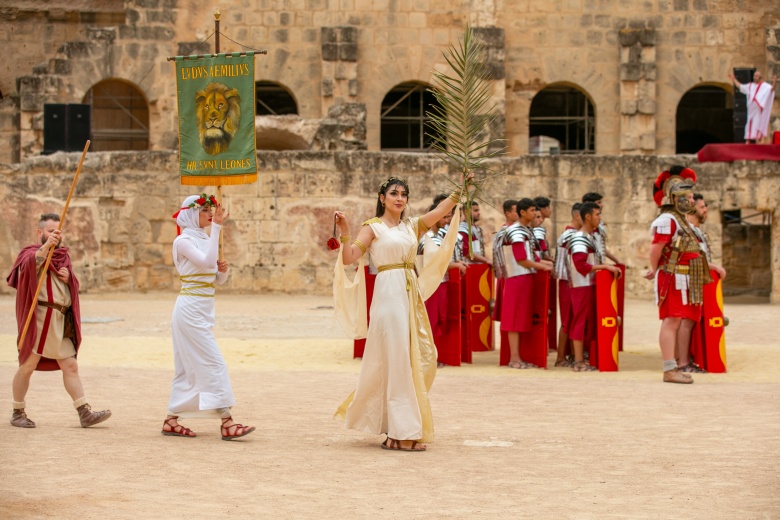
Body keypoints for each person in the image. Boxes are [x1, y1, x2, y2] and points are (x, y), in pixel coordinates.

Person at [333, 176, 465, 452]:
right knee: (397, 360)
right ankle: (402, 431)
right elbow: (348, 258)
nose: (400, 198)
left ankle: (397, 430)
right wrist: (344, 231)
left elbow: (440, 212)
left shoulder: (411, 226)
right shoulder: (373, 227)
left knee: (411, 358)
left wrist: (459, 190)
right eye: (394, 193)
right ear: (382, 198)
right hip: (388, 296)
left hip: (408, 294)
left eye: (404, 194)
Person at [162, 194, 255, 440]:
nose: (209, 214)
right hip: (189, 310)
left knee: (189, 366)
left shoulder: (204, 238)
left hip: (202, 308)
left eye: (209, 210)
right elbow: (205, 262)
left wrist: (222, 271)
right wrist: (217, 229)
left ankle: (171, 419)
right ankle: (227, 422)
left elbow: (214, 277)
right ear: (192, 213)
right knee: (213, 363)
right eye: (204, 210)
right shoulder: (183, 241)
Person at [7, 213, 111, 428]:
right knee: (27, 365)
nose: (55, 235)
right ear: (40, 232)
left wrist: (68, 278)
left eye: (57, 232)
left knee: (70, 365)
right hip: (39, 320)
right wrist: (46, 249)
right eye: (50, 231)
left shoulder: (63, 256)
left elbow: (71, 286)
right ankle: (18, 412)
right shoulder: (31, 253)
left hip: (61, 319)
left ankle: (84, 412)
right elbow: (28, 267)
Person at [645, 166, 711, 384]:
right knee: (671, 321)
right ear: (676, 197)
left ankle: (673, 366)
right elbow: (656, 249)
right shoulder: (667, 220)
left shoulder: (680, 219)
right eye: (688, 196)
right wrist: (654, 270)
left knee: (676, 320)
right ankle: (669, 368)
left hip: (683, 277)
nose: (691, 200)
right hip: (672, 276)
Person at [566, 202, 622, 372]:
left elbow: (594, 261)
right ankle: (578, 361)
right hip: (581, 285)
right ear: (588, 217)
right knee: (580, 321)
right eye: (597, 214)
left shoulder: (589, 238)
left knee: (588, 322)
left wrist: (606, 265)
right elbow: (581, 266)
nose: (600, 218)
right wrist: (605, 267)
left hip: (589, 285)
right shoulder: (579, 238)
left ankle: (585, 357)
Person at [501, 198, 553, 369]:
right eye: (531, 210)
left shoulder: (526, 230)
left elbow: (532, 256)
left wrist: (546, 264)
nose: (534, 214)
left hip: (525, 278)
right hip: (517, 278)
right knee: (514, 319)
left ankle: (519, 357)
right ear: (523, 212)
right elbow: (521, 259)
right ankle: (514, 359)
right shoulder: (516, 231)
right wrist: (542, 266)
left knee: (521, 319)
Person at [680, 193, 728, 373]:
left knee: (692, 320)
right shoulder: (687, 231)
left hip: (698, 279)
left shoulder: (696, 231)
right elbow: (693, 258)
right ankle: (683, 362)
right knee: (686, 321)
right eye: (702, 207)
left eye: (705, 207)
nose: (705, 210)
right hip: (690, 279)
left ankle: (688, 357)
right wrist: (715, 267)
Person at [419, 196, 467, 367]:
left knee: (439, 321)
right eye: (444, 216)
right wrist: (456, 265)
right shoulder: (427, 238)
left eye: (448, 216)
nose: (447, 220)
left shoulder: (441, 236)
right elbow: (434, 264)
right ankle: (427, 358)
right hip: (430, 285)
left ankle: (434, 356)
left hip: (441, 284)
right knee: (430, 321)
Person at [553, 202, 582, 367]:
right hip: (568, 281)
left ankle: (569, 355)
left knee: (572, 319)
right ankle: (560, 357)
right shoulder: (571, 236)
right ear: (578, 216)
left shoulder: (570, 234)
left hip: (569, 281)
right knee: (567, 320)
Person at [728, 70, 777, 143]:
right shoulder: (750, 86)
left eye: (756, 76)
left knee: (757, 125)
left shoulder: (765, 86)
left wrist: (774, 82)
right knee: (749, 125)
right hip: (751, 110)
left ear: (760, 77)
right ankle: (747, 141)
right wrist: (734, 79)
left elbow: (771, 90)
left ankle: (759, 143)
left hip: (758, 110)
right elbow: (740, 86)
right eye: (754, 76)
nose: (754, 77)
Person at [492, 199, 518, 322]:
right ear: (507, 213)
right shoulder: (505, 231)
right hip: (508, 275)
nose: (518, 213)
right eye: (515, 211)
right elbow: (497, 254)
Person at [581, 192, 623, 265]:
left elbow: (601, 248)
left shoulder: (599, 225)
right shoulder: (584, 228)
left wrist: (616, 261)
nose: (602, 205)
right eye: (599, 202)